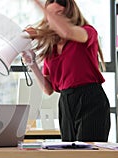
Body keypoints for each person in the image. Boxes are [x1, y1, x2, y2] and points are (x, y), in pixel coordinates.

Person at [21, 0, 110, 142]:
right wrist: (32, 64)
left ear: (70, 14)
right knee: (68, 153)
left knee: (88, 153)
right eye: (50, 15)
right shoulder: (52, 49)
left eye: (59, 14)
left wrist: (38, 4)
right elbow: (48, 89)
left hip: (91, 100)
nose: (53, 19)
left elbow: (67, 31)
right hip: (65, 103)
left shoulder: (87, 32)